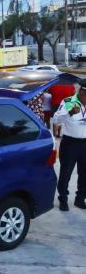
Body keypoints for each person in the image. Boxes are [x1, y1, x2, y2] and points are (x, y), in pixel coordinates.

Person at [52, 79, 86, 211]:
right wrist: (70, 112)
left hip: (85, 143)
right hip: (70, 143)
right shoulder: (68, 101)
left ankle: (80, 199)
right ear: (81, 92)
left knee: (84, 173)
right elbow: (56, 119)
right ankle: (63, 199)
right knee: (66, 173)